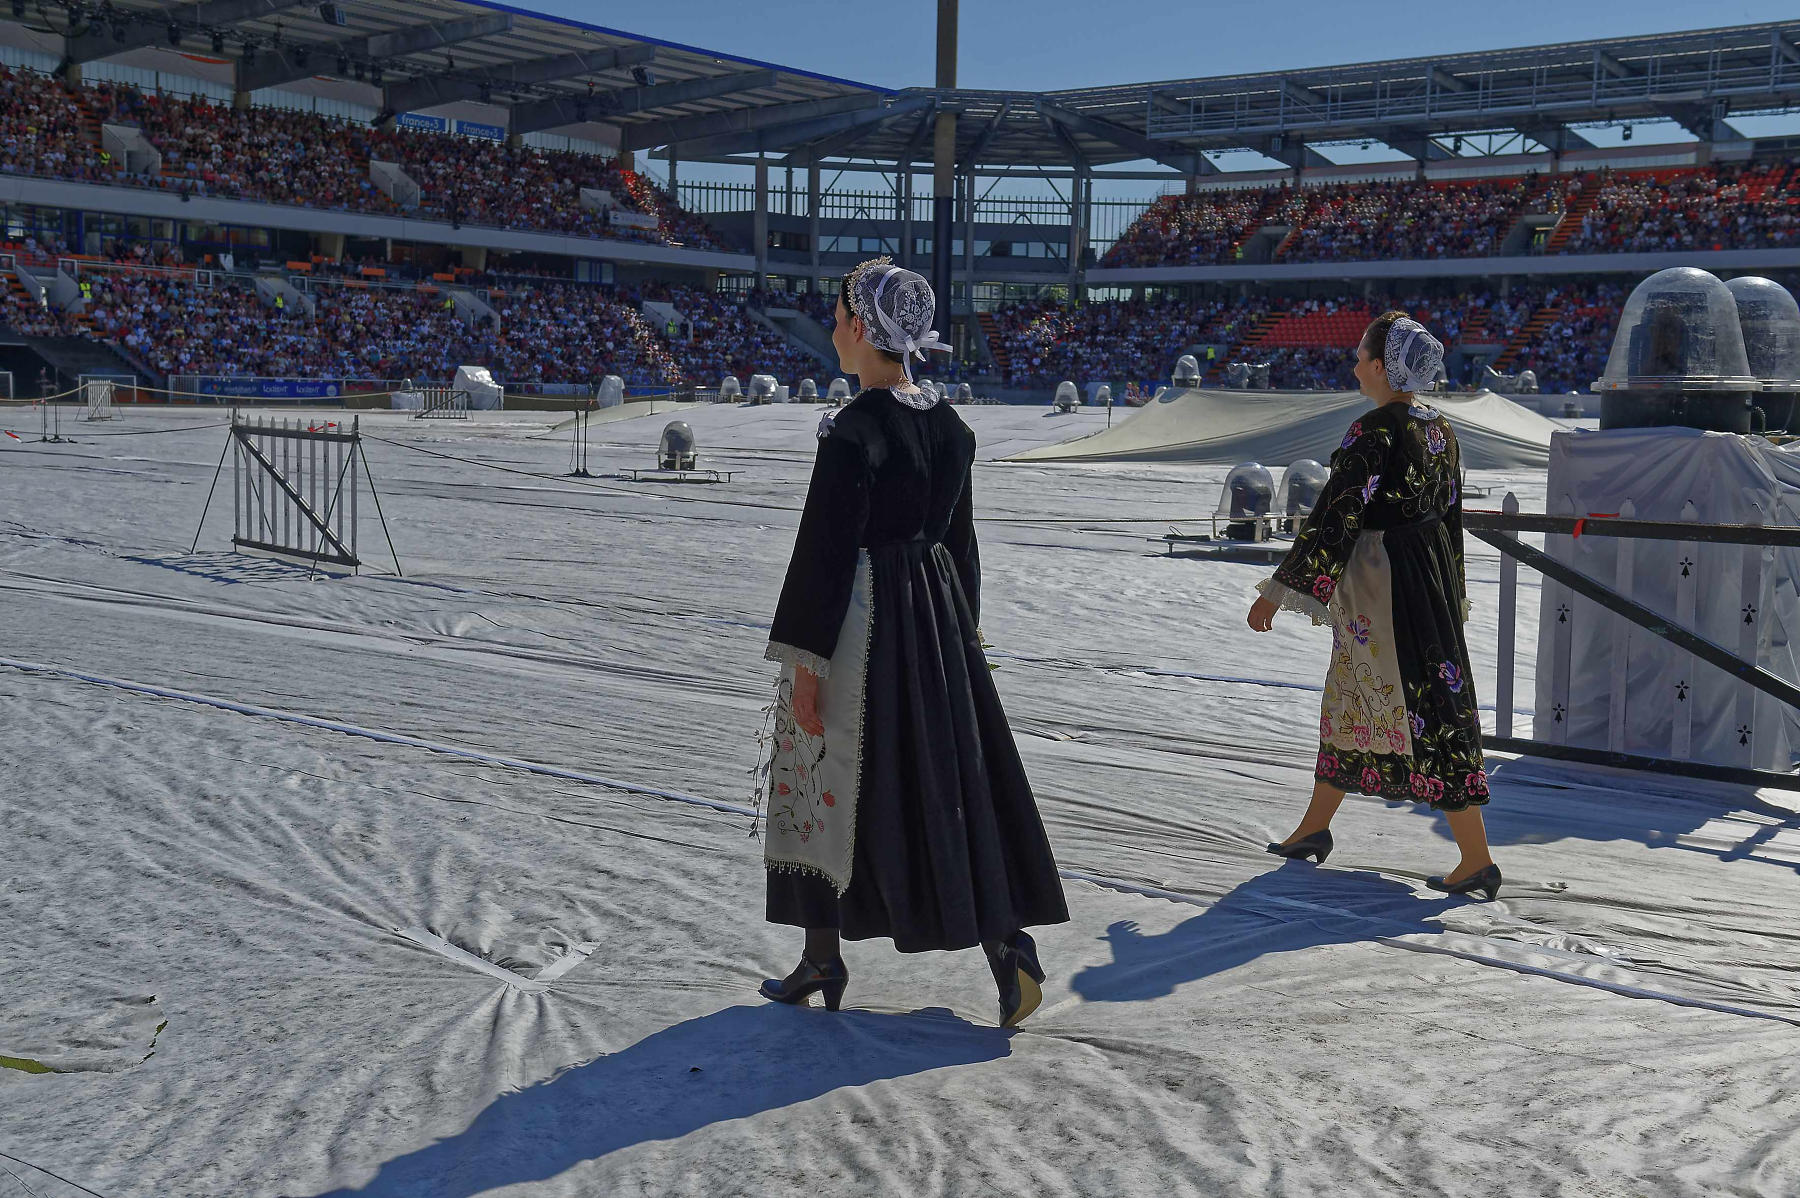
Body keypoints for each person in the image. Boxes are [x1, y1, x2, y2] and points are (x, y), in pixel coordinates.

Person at [759, 257, 1068, 1027]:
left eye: (838, 316)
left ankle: (822, 956)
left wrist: (805, 665)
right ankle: (1008, 948)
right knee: (947, 785)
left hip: (862, 628)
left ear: (862, 329)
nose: (833, 328)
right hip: (935, 628)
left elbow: (823, 560)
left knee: (825, 779)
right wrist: (963, 636)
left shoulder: (852, 431)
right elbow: (960, 547)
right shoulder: (950, 427)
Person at [1246, 312, 1500, 899]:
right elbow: (1451, 517)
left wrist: (1278, 592)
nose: (1355, 365)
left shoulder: (1373, 432)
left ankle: (1477, 858)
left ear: (1384, 368)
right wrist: (1453, 588)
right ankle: (1314, 828)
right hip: (1427, 579)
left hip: (1385, 592)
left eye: (1362, 356)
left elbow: (1335, 516)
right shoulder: (1441, 429)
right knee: (1366, 699)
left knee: (1413, 709)